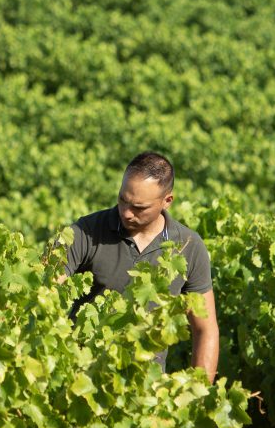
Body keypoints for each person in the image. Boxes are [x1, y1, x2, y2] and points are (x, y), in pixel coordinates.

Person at [64, 151, 219, 382]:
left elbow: (205, 329)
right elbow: (44, 290)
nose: (126, 212)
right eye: (122, 200)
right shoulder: (85, 232)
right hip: (83, 378)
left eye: (139, 207)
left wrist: (198, 394)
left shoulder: (188, 246)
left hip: (146, 387)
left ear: (167, 201)